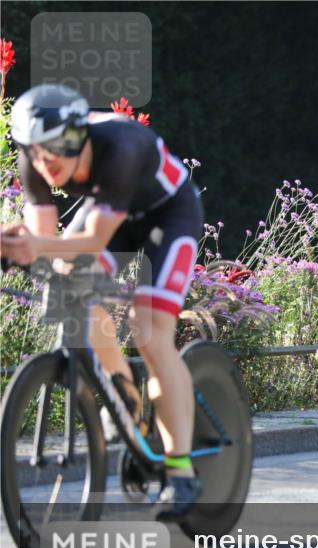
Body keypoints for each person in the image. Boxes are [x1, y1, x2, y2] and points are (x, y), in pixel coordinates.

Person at [0, 84, 202, 520]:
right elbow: (48, 243)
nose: (46, 161)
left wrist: (34, 247)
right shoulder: (36, 158)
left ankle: (181, 469)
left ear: (80, 137)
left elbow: (91, 239)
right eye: (35, 151)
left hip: (168, 217)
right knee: (71, 287)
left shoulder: (121, 147)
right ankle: (123, 393)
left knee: (149, 330)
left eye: (59, 147)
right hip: (113, 213)